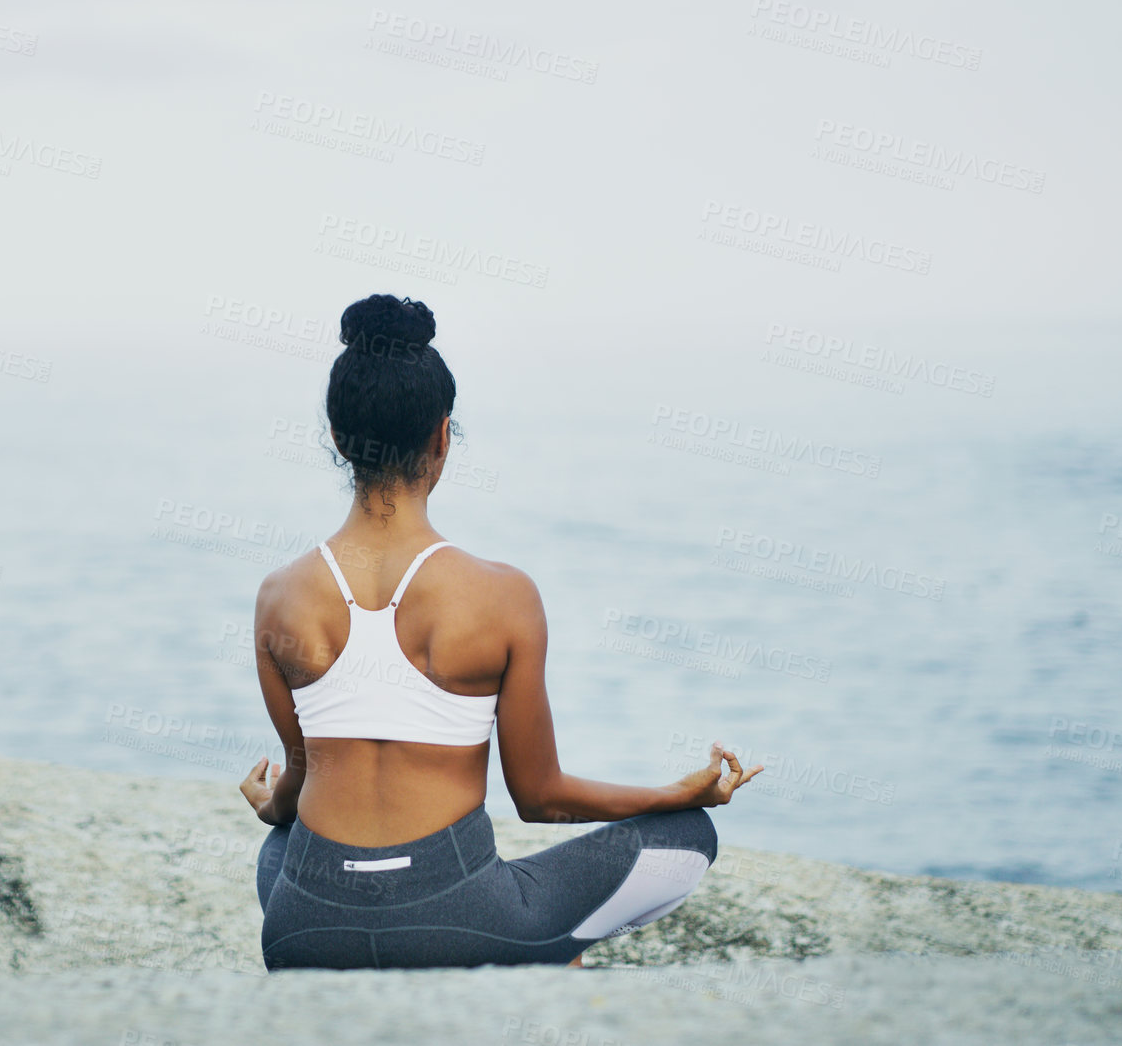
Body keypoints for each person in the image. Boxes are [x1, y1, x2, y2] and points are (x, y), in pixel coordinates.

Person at [239, 293, 763, 971]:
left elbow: (305, 774)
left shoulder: (277, 595)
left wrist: (267, 803)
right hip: (455, 922)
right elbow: (539, 797)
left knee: (281, 845)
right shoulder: (502, 594)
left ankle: (346, 941)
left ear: (337, 437)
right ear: (441, 436)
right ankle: (544, 953)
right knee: (688, 835)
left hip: (304, 931)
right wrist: (677, 793)